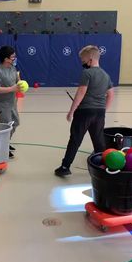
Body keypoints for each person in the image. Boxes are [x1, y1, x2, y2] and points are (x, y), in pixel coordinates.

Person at [55, 45, 114, 177]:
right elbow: (111, 94)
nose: (82, 62)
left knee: (75, 139)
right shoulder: (106, 75)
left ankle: (65, 167)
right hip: (99, 113)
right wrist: (104, 110)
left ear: (90, 59)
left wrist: (71, 111)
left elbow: (81, 92)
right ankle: (104, 167)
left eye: (83, 59)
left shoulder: (87, 73)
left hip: (84, 112)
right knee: (99, 141)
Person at [0, 46, 21, 158]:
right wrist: (12, 89)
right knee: (6, 127)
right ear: (6, 58)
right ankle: (2, 148)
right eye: (12, 56)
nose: (15, 58)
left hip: (12, 102)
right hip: (2, 104)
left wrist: (20, 83)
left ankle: (6, 143)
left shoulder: (12, 67)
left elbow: (17, 79)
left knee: (16, 123)